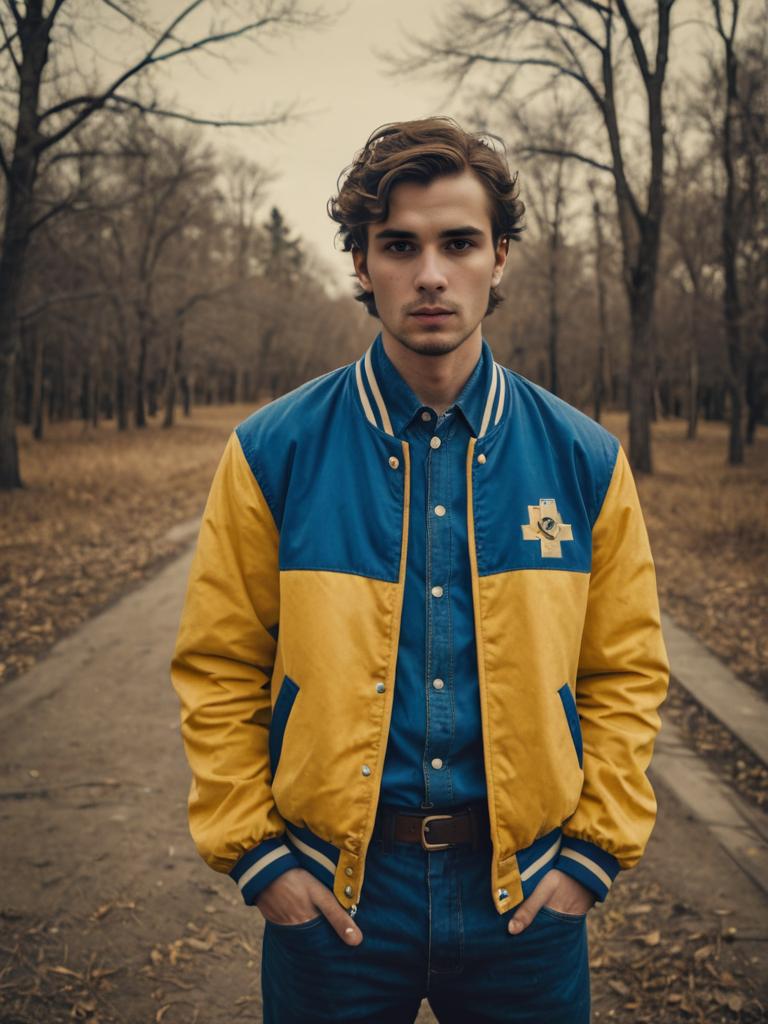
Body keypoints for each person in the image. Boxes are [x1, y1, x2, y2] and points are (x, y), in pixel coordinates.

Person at [171, 116, 669, 1024]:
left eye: (459, 243)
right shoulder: (272, 452)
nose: (431, 274)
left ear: (501, 256)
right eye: (399, 246)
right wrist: (262, 863)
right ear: (362, 264)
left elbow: (624, 673)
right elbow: (218, 666)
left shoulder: (585, 459)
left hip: (528, 903)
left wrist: (590, 860)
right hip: (336, 903)